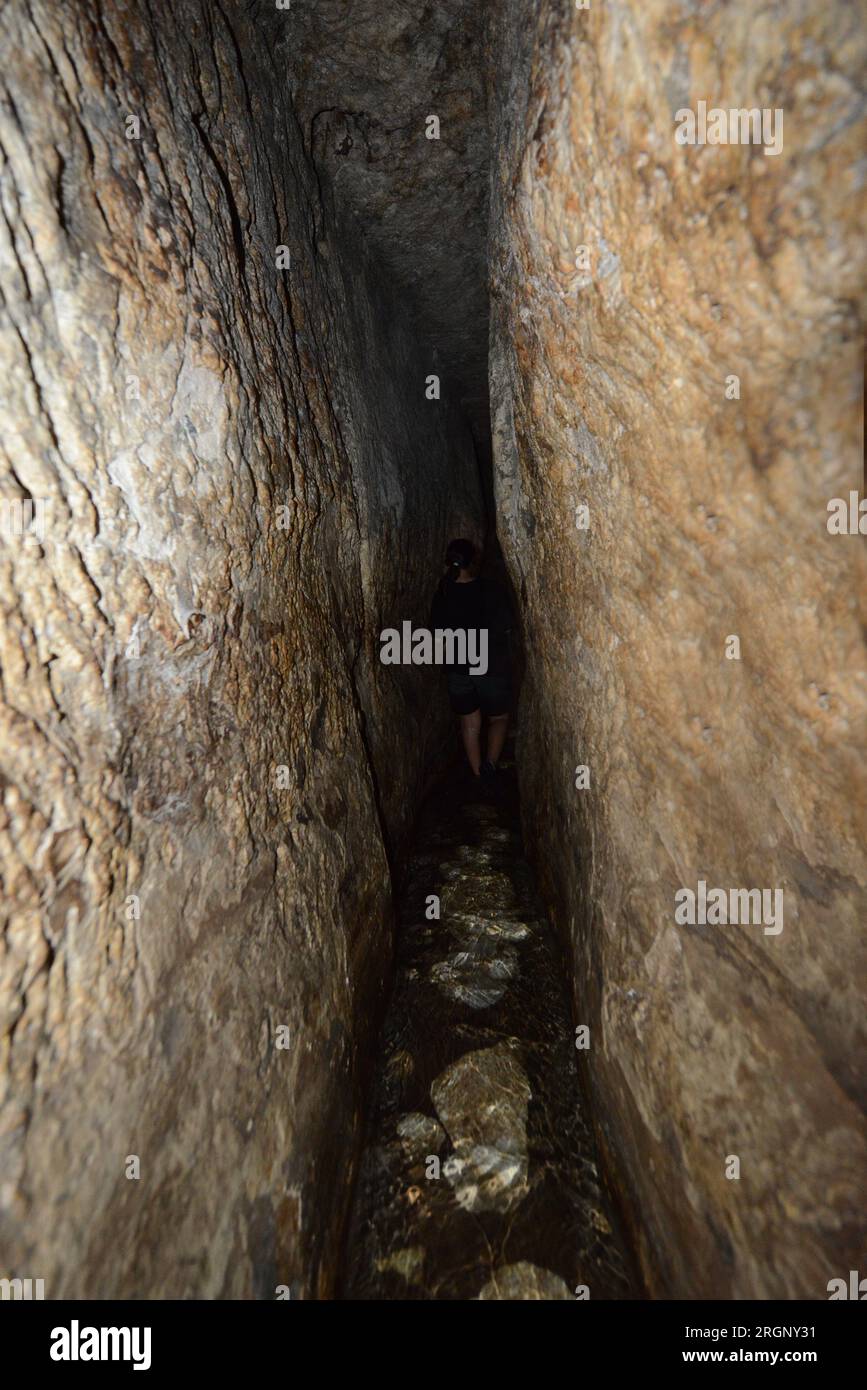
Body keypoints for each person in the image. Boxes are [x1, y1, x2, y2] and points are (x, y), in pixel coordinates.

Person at [430, 538, 514, 781]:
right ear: (473, 562)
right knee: (498, 717)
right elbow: (506, 627)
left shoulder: (443, 592)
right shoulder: (491, 589)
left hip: (458, 667)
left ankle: (478, 774)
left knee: (469, 723)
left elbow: (435, 633)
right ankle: (490, 764)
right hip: (491, 665)